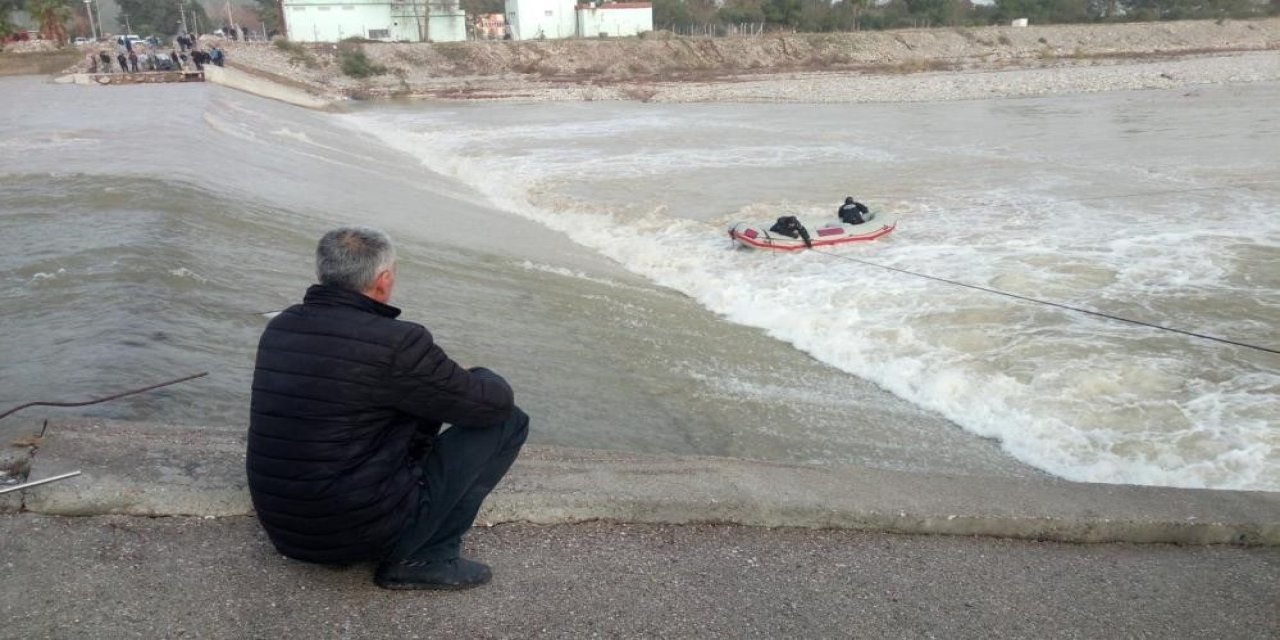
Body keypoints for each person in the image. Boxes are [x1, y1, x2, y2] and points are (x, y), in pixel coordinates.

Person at [247, 227, 528, 591]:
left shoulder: (282, 326)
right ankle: (426, 557)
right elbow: (492, 406)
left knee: (422, 397)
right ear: (382, 281)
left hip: (285, 528)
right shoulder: (398, 343)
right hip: (352, 533)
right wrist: (481, 375)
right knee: (509, 421)